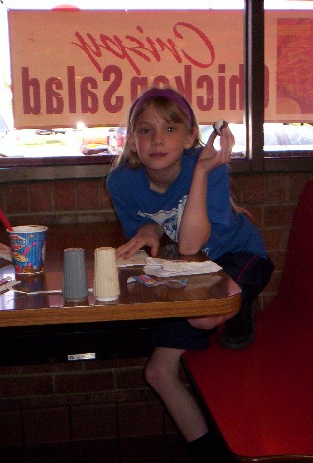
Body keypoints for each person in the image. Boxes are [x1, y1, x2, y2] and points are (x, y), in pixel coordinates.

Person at [106, 87, 274, 463]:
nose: (157, 140)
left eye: (169, 129)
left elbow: (191, 242)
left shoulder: (207, 165)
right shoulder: (120, 182)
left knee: (204, 316)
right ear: (132, 140)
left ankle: (239, 305)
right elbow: (155, 231)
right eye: (145, 130)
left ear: (189, 137)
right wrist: (148, 230)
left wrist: (200, 171)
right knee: (158, 372)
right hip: (190, 271)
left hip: (237, 256)